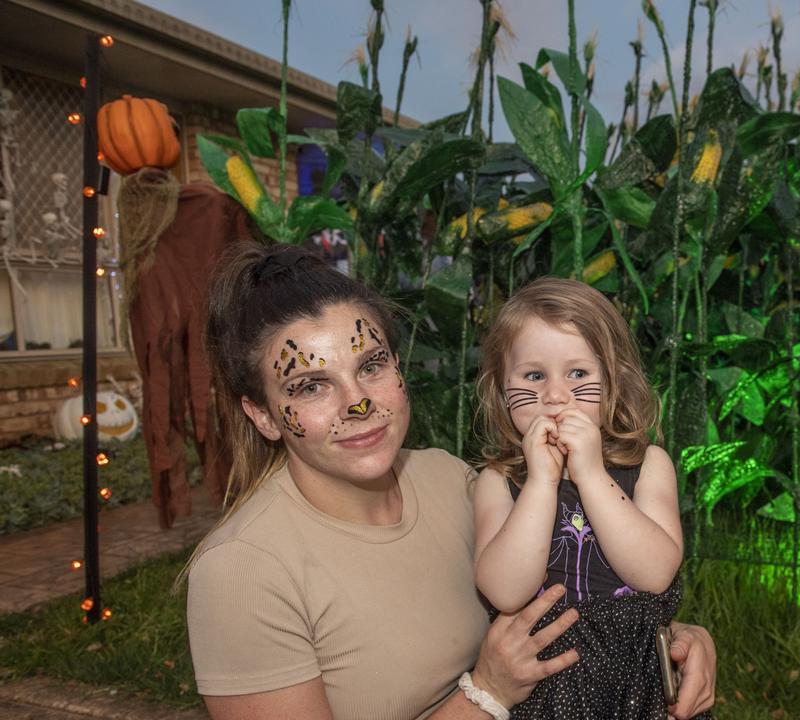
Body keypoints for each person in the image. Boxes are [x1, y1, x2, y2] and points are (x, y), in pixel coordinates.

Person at [184, 242, 717, 719]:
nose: (359, 404)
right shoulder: (241, 573)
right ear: (262, 416)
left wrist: (681, 642)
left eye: (371, 365)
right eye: (310, 386)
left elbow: (592, 570)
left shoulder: (446, 478)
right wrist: (486, 693)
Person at [472, 278, 710, 719]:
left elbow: (656, 573)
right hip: (543, 685)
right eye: (534, 375)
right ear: (503, 390)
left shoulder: (648, 464)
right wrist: (542, 482)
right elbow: (505, 592)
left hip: (638, 681)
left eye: (578, 374)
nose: (556, 395)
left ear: (613, 380)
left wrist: (591, 474)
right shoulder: (499, 479)